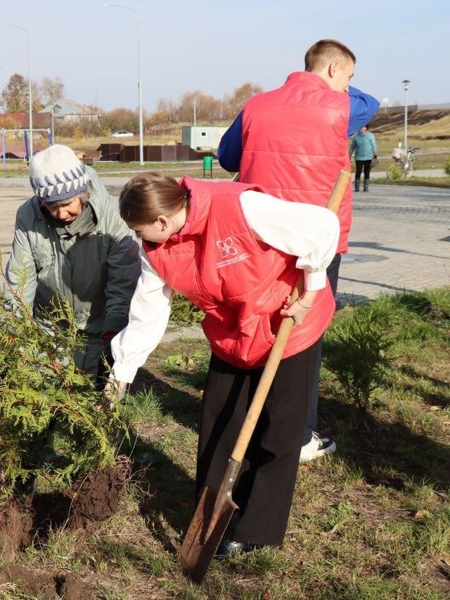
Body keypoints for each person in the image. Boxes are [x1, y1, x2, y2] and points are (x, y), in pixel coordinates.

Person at [110, 172, 339, 557]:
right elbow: (147, 313)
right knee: (219, 423)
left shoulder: (239, 206)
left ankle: (255, 530)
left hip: (288, 322)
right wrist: (122, 371)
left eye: (140, 229)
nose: (139, 238)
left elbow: (321, 226)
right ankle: (215, 522)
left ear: (162, 220)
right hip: (233, 335)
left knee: (278, 431)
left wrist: (312, 291)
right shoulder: (157, 250)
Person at [216, 39, 380, 462]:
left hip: (261, 235)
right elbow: (372, 101)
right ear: (332, 71)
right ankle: (299, 435)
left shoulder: (257, 106)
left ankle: (247, 419)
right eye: (347, 76)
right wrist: (339, 89)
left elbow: (227, 157)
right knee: (305, 334)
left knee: (257, 322)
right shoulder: (342, 108)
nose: (349, 86)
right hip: (316, 238)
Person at [5, 144, 140, 383]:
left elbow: (122, 284)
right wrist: (16, 333)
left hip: (98, 331)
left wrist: (112, 341)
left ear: (82, 193)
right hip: (50, 329)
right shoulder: (28, 216)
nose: (60, 213)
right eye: (51, 206)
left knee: (92, 403)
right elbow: (21, 277)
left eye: (67, 204)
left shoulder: (113, 217)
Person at [349, 124, 378, 192]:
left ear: (366, 128)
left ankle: (366, 186)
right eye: (360, 127)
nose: (361, 128)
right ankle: (357, 186)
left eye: (363, 127)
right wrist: (349, 154)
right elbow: (353, 146)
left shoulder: (370, 135)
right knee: (358, 171)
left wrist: (375, 153)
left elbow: (373, 144)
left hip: (368, 157)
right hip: (359, 157)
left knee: (367, 171)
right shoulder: (356, 136)